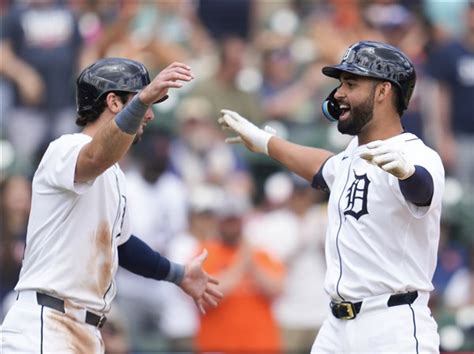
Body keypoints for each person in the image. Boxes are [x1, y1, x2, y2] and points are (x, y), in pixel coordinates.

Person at [219, 41, 444, 353]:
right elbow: (322, 167)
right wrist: (265, 141)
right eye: (340, 84)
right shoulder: (352, 155)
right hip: (336, 327)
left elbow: (423, 191)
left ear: (382, 92)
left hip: (392, 325)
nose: (338, 94)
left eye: (351, 84)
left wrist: (409, 174)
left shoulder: (416, 154)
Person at [0, 57, 222, 353]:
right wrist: (143, 99)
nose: (150, 114)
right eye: (144, 102)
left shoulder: (116, 175)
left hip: (83, 330)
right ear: (114, 102)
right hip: (46, 323)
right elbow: (95, 157)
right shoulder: (65, 148)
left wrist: (178, 274)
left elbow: (123, 245)